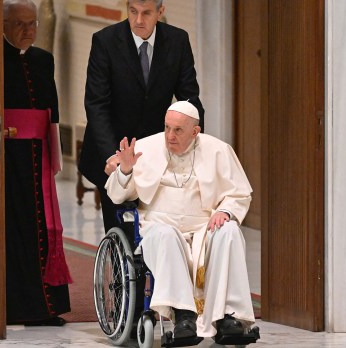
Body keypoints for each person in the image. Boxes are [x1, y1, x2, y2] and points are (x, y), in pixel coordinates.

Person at [105, 101, 255, 338]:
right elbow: (117, 194)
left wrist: (225, 211)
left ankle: (228, 317)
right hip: (159, 224)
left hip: (204, 227)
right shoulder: (146, 148)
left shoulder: (218, 150)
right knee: (166, 234)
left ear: (195, 132)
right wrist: (124, 170)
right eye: (167, 128)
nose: (170, 136)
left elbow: (239, 193)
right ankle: (184, 316)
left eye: (178, 130)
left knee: (230, 231)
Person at [79, 0, 204, 233]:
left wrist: (195, 146)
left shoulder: (177, 41)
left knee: (158, 230)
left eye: (146, 13)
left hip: (157, 152)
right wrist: (112, 156)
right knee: (122, 231)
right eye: (133, 12)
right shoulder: (105, 41)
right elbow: (97, 105)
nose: (138, 20)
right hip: (113, 150)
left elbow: (190, 100)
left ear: (160, 12)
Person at [3, 0, 71, 326]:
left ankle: (44, 307)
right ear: (2, 25)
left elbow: (52, 113)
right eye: (20, 24)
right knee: (13, 230)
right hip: (6, 159)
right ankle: (13, 307)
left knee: (43, 228)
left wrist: (54, 156)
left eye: (33, 24)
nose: (29, 30)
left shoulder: (44, 59)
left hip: (37, 157)